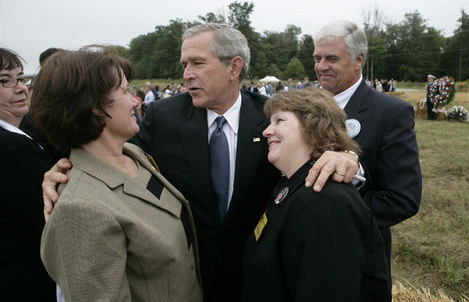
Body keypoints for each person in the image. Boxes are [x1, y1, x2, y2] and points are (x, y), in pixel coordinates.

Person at [42, 23, 359, 301]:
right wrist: (60, 170)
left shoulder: (272, 118)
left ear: (233, 68)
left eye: (197, 63)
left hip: (257, 279)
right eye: (184, 64)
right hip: (186, 280)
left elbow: (319, 154)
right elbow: (104, 153)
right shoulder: (161, 117)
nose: (186, 74)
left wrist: (345, 155)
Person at [31, 49, 202, 301]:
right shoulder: (79, 209)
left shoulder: (133, 154)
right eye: (125, 91)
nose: (136, 101)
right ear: (94, 107)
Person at [243, 88, 390, 301]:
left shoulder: (325, 202)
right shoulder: (292, 185)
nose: (266, 131)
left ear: (313, 127)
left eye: (279, 121)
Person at [312, 20, 422, 284]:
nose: (321, 66)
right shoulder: (301, 106)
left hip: (356, 257)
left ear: (358, 60)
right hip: (300, 249)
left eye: (332, 58)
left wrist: (334, 216)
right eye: (317, 57)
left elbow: (402, 199)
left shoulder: (390, 112)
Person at [0, 48, 57, 301]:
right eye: (4, 81)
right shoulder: (11, 148)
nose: (21, 88)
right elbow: (50, 217)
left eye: (21, 78)